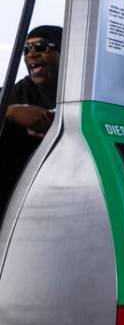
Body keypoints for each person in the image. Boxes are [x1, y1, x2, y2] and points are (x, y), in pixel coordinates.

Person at [1, 25, 62, 214]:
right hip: (18, 199)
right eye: (26, 50)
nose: (31, 55)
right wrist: (10, 112)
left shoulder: (81, 89)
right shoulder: (17, 93)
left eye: (41, 47)